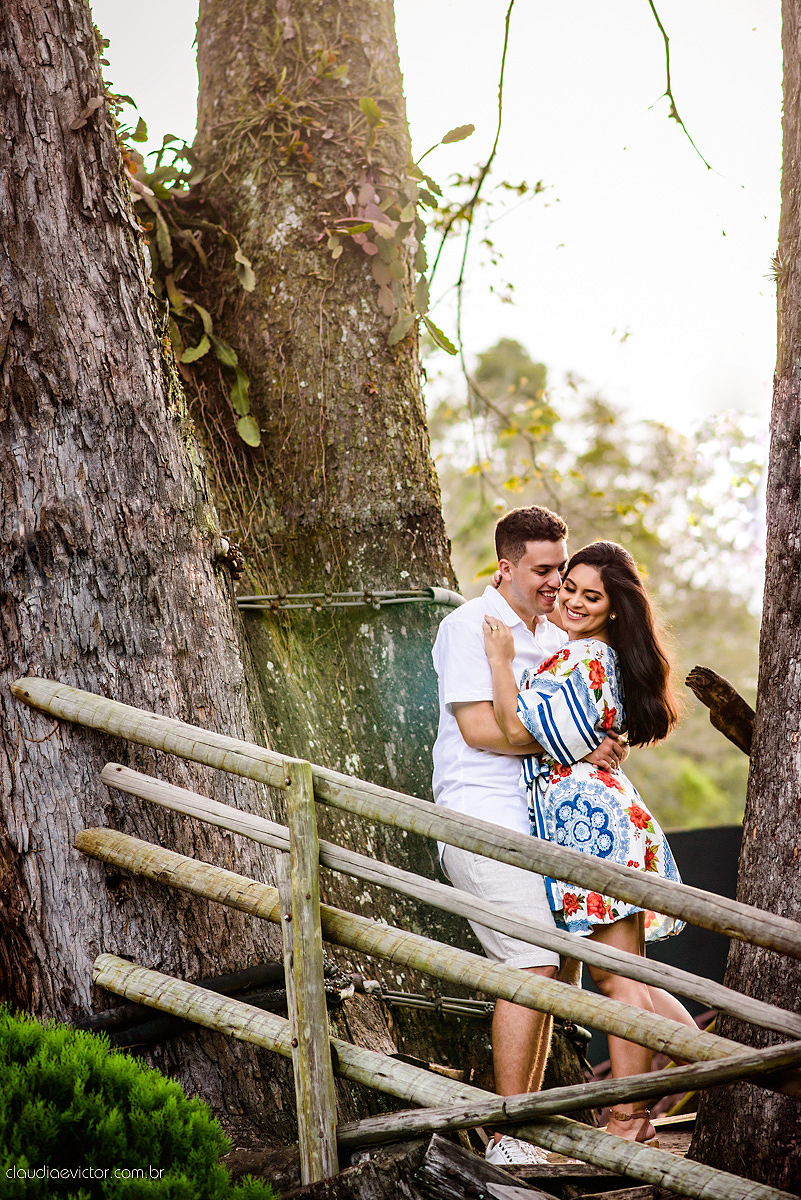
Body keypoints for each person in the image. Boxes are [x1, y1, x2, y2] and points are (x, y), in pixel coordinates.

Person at [483, 539, 698, 1145]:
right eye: (569, 588)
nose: (573, 601)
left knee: (615, 981)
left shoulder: (583, 659)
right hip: (600, 818)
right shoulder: (588, 656)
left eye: (590, 596)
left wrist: (500, 660)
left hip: (593, 827)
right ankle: (710, 1066)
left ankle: (629, 1119)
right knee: (630, 977)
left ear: (612, 608)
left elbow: (511, 728)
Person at [431, 508, 627, 1167]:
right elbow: (484, 732)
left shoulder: (555, 631)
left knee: (560, 965)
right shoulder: (471, 626)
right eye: (543, 571)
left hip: (547, 820)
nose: (556, 582)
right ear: (505, 566)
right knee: (530, 963)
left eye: (560, 568)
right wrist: (573, 743)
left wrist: (599, 742)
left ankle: (533, 1130)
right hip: (482, 815)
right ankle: (507, 1135)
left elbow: (580, 718)